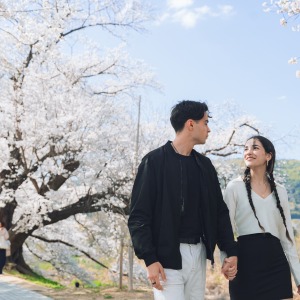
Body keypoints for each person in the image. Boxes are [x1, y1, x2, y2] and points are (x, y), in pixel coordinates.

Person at [128, 100, 238, 300]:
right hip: (166, 256)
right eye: (205, 122)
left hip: (199, 254)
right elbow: (138, 216)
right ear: (190, 124)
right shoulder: (153, 162)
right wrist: (150, 259)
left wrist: (230, 250)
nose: (209, 129)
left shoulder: (205, 166)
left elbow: (219, 212)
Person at [223, 135, 300, 300]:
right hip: (244, 264)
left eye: (255, 147)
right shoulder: (234, 187)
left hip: (276, 265)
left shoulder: (281, 191)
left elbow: (287, 239)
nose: (248, 152)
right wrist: (227, 260)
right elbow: (225, 229)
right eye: (246, 148)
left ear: (268, 156)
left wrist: (298, 278)